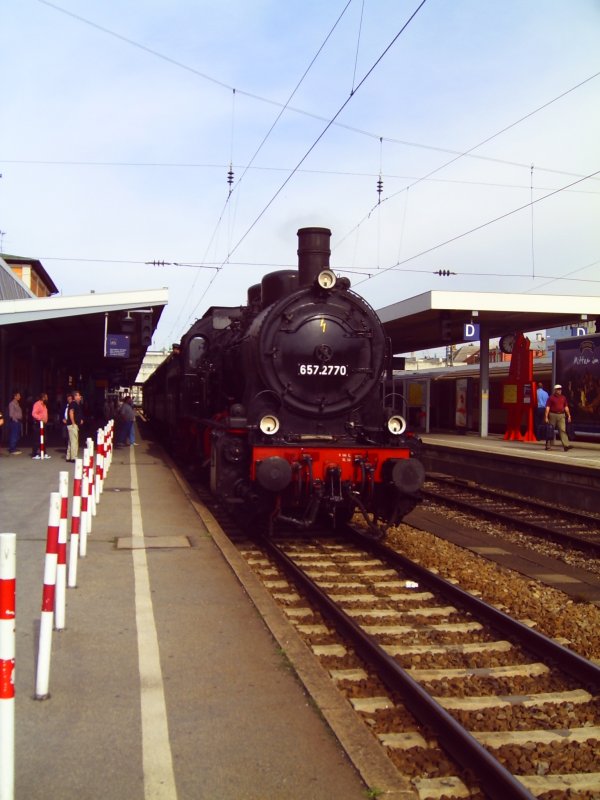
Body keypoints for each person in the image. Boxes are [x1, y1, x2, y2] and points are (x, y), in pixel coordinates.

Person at [544, 384, 572, 452]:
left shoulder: (563, 398)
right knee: (550, 430)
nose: (560, 391)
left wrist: (569, 415)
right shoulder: (551, 398)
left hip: (561, 415)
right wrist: (546, 417)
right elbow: (547, 407)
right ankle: (548, 446)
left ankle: (566, 445)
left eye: (560, 389)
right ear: (555, 390)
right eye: (558, 389)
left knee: (562, 430)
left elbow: (566, 407)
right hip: (552, 415)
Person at [31, 392, 50, 459]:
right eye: (46, 397)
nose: (47, 398)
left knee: (44, 439)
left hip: (43, 424)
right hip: (38, 424)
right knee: (37, 439)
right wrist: (40, 418)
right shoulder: (37, 404)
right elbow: (34, 413)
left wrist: (45, 420)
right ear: (43, 398)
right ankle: (35, 454)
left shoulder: (44, 405)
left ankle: (44, 453)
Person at [66, 390, 83, 462]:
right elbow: (71, 413)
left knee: (71, 441)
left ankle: (68, 456)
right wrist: (73, 423)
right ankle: (73, 457)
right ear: (75, 396)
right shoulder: (73, 404)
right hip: (72, 425)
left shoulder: (75, 404)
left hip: (71, 424)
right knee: (74, 441)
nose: (80, 397)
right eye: (78, 395)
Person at [7, 391, 23, 455]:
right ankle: (12, 449)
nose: (20, 397)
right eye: (18, 396)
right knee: (14, 435)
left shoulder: (17, 403)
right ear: (15, 396)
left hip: (18, 421)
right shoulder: (12, 404)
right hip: (14, 421)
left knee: (17, 435)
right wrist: (15, 420)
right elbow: (11, 414)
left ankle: (14, 447)